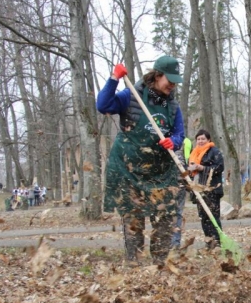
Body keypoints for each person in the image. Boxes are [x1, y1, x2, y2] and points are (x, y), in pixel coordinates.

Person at [96, 56, 184, 265]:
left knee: (165, 218)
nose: (172, 85)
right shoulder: (132, 96)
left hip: (160, 172)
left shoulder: (172, 106)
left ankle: (160, 264)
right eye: (169, 80)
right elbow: (103, 105)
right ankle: (134, 263)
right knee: (133, 219)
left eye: (175, 81)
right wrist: (113, 79)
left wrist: (174, 141)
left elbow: (180, 133)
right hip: (129, 170)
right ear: (157, 75)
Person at [189, 129, 224, 247]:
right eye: (198, 139)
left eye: (203, 139)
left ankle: (217, 242)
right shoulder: (194, 154)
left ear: (208, 139)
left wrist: (202, 168)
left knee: (213, 216)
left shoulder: (214, 151)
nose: (200, 141)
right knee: (203, 217)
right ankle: (209, 243)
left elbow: (219, 167)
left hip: (212, 189)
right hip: (199, 190)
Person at [172, 137, 192, 249]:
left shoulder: (186, 142)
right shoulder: (161, 138)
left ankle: (175, 244)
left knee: (177, 214)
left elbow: (188, 161)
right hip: (164, 185)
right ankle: (163, 244)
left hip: (180, 184)